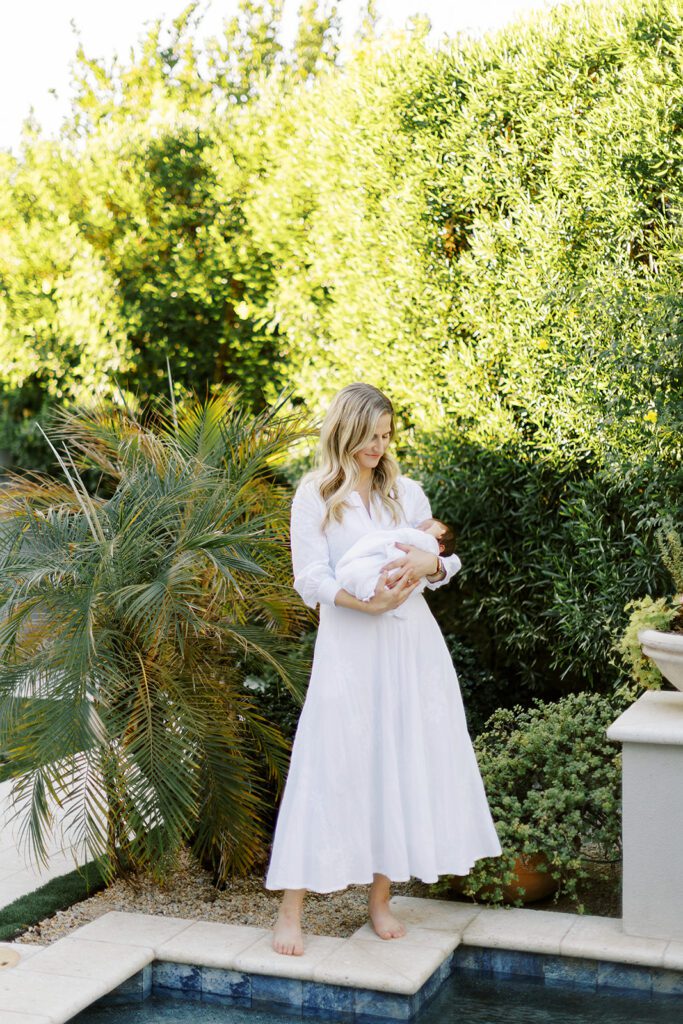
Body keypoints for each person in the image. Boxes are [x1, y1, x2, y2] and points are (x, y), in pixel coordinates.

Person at [264, 382, 502, 956]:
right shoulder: (314, 496)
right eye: (370, 435)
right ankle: (291, 909)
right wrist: (362, 602)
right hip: (349, 644)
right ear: (345, 431)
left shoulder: (406, 495)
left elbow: (442, 559)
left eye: (386, 435)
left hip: (410, 646)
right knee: (329, 762)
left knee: (395, 761)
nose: (379, 446)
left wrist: (433, 564)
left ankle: (380, 899)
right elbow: (309, 578)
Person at [334, 517, 457, 618]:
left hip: (403, 609)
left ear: (440, 547)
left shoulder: (429, 545)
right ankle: (366, 588)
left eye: (424, 529)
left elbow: (450, 561)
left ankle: (368, 589)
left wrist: (434, 564)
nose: (417, 530)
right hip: (353, 601)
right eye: (418, 528)